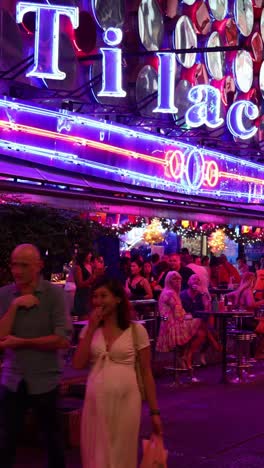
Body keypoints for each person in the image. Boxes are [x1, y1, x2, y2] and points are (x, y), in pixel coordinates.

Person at [73, 275, 162, 468]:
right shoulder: (90, 330)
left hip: (126, 400)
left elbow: (147, 372)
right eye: (95, 296)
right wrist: (90, 329)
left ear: (118, 299)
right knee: (96, 455)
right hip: (95, 401)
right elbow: (78, 363)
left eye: (103, 295)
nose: (98, 301)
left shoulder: (136, 330)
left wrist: (155, 412)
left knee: (121, 453)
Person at [0, 243, 69, 468]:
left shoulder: (53, 295)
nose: (17, 271)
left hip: (46, 379)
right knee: (6, 442)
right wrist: (16, 305)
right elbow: (1, 338)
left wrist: (22, 342)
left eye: (24, 265)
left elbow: (62, 339)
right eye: (14, 264)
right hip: (12, 379)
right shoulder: (5, 294)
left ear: (39, 266)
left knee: (53, 443)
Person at [156, 271, 206, 369]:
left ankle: (185, 355)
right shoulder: (171, 293)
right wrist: (189, 316)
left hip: (166, 325)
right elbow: (179, 314)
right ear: (169, 281)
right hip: (171, 328)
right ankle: (187, 355)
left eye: (179, 279)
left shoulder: (167, 291)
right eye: (174, 279)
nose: (178, 281)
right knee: (201, 324)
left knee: (201, 330)